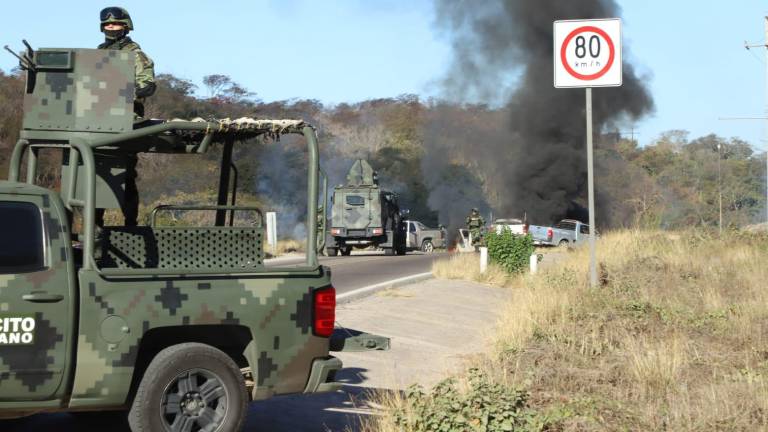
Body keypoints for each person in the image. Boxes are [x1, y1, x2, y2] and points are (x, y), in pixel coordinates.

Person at [96, 7, 155, 227]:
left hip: (125, 121)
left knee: (126, 174)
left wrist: (121, 92)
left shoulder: (136, 54)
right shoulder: (97, 53)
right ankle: (95, 226)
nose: (111, 28)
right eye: (108, 24)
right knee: (95, 175)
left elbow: (147, 86)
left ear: (126, 26)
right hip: (96, 120)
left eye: (116, 24)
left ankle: (131, 223)